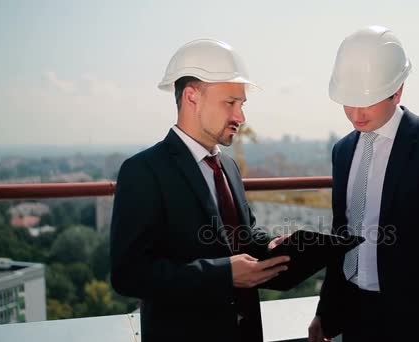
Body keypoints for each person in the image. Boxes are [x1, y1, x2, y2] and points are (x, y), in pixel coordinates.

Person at [110, 39, 289, 342]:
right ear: (192, 97)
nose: (240, 117)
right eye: (230, 103)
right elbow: (129, 275)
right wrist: (224, 275)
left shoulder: (229, 167)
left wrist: (274, 247)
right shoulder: (143, 171)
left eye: (242, 104)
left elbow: (239, 239)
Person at [308, 25, 419, 341]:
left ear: (397, 90)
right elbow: (342, 236)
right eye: (348, 101)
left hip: (415, 320)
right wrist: (325, 312)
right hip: (354, 315)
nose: (355, 113)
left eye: (366, 101)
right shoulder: (342, 150)